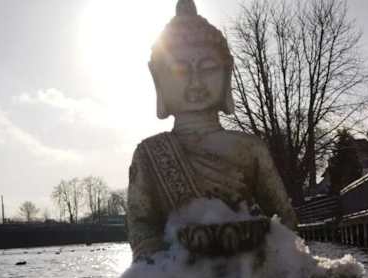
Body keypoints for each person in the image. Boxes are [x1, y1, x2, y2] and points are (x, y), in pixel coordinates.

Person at [127, 0, 297, 261]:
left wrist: (266, 245)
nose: (196, 83)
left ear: (227, 73)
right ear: (158, 78)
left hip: (249, 266)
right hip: (176, 270)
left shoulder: (250, 148)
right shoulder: (149, 154)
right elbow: (141, 226)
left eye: (208, 69)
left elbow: (283, 219)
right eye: (180, 71)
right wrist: (163, 257)